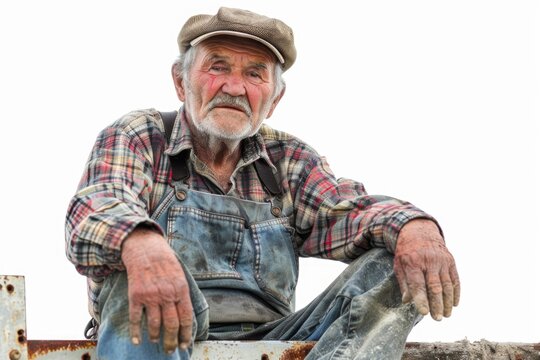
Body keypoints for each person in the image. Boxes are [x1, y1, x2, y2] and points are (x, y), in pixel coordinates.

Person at [65, 7, 460, 360]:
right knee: (130, 258)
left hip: (273, 342)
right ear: (181, 82)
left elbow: (348, 212)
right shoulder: (141, 134)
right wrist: (143, 245)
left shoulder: (288, 160)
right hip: (162, 343)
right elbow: (95, 208)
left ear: (273, 99)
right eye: (217, 67)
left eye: (254, 74)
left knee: (391, 261)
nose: (234, 87)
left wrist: (417, 229)